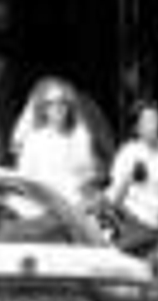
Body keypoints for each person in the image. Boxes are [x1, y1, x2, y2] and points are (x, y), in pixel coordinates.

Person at [15, 78, 103, 208]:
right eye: (51, 103)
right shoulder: (33, 140)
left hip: (74, 210)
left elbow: (88, 178)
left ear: (69, 107)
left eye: (62, 102)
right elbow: (25, 181)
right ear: (44, 109)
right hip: (43, 208)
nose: (57, 107)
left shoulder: (81, 137)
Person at [107, 102, 158, 250]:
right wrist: (129, 177)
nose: (155, 125)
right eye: (148, 121)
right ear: (137, 127)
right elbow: (114, 198)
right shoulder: (129, 153)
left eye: (157, 119)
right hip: (135, 223)